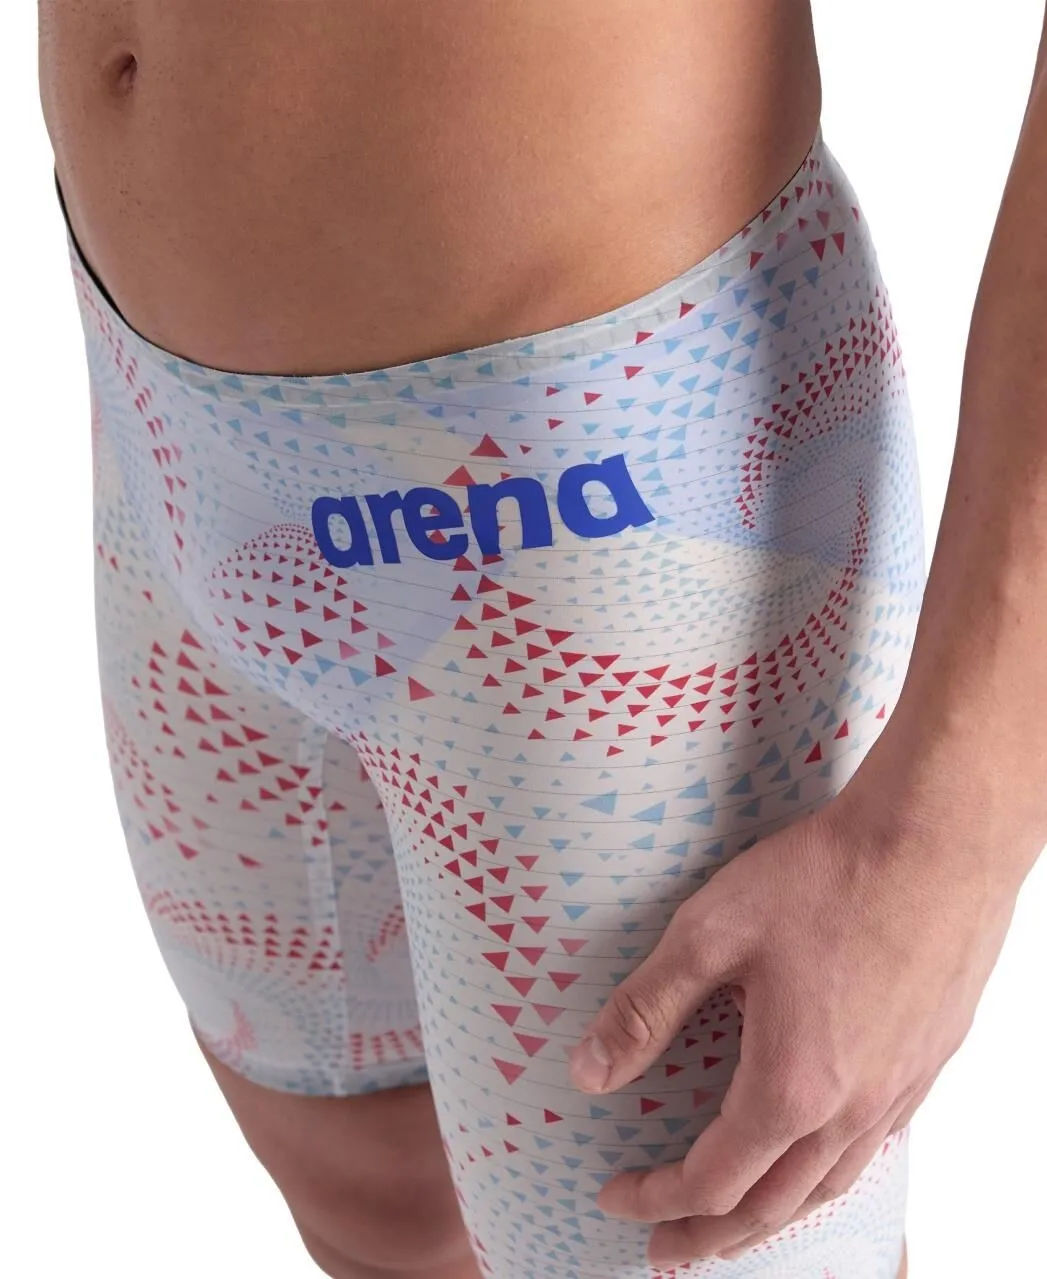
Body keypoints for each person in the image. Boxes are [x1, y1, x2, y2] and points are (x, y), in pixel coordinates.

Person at [36, 2, 1047, 1276]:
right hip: (164, 429)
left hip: (595, 481)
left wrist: (952, 842)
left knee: (680, 1228)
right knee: (376, 1202)